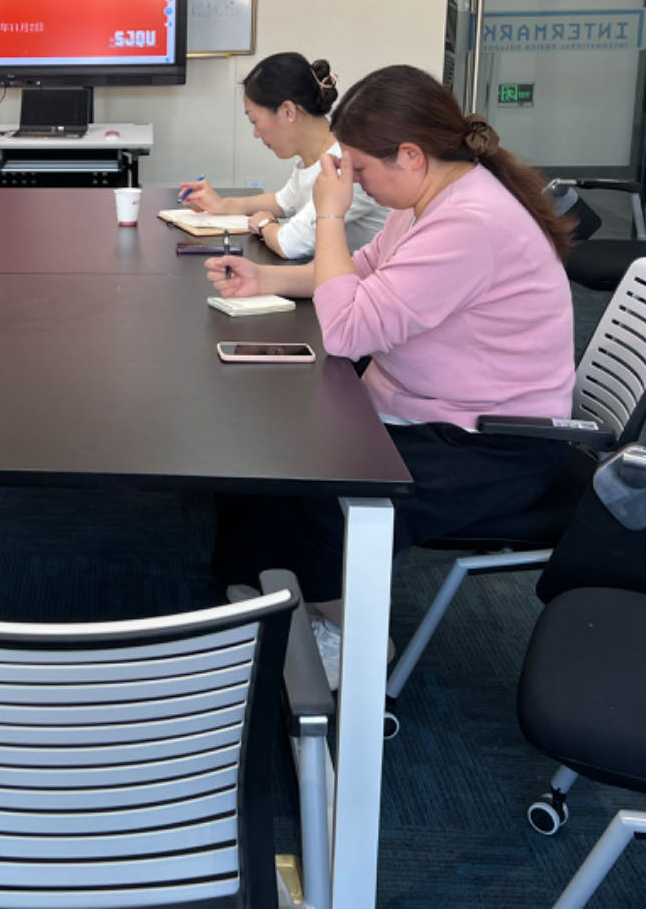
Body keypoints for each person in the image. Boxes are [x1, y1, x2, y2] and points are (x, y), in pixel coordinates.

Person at [207, 64, 575, 684]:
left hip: (490, 442)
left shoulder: (470, 223)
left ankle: (353, 636)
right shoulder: (426, 199)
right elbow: (357, 273)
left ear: (410, 155)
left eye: (360, 168)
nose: (355, 182)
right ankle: (275, 600)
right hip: (417, 406)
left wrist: (329, 215)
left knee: (311, 479)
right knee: (266, 450)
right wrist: (266, 277)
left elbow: (348, 328)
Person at [177, 52, 386, 260]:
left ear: (288, 111)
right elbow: (284, 202)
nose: (256, 134)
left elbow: (289, 244)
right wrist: (223, 205)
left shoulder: (346, 165)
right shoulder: (313, 156)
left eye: (254, 121)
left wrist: (264, 224)